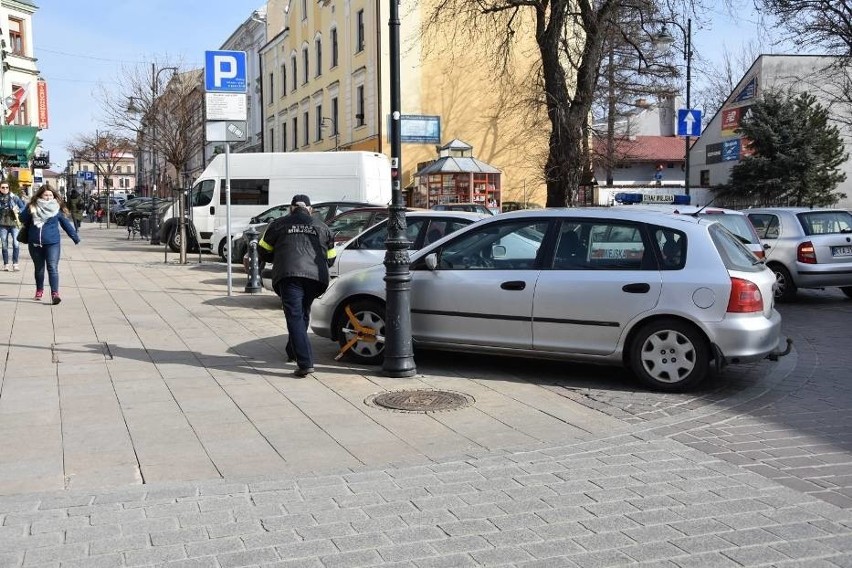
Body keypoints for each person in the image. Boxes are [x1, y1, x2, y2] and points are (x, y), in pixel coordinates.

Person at [258, 194, 336, 376]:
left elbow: (263, 251)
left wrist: (278, 255)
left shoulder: (277, 224)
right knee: (302, 313)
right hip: (316, 278)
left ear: (291, 208)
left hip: (289, 275)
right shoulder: (322, 227)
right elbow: (331, 258)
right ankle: (293, 351)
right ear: (309, 210)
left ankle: (305, 362)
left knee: (294, 316)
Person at [18, 184, 80, 304]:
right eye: (46, 195)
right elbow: (22, 219)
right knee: (39, 269)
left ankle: (55, 294)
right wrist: (29, 209)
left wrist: (75, 237)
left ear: (54, 196)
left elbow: (65, 223)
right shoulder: (33, 207)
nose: (48, 197)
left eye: (50, 195)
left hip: (52, 243)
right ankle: (39, 289)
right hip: (35, 243)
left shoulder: (56, 209)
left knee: (52, 267)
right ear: (40, 195)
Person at [0, 181, 26, 271]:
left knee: (16, 243)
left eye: (6, 187)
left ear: (9, 188)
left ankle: (15, 263)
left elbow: (23, 207)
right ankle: (6, 264)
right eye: (3, 187)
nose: (5, 189)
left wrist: (17, 210)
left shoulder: (14, 197)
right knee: (4, 244)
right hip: (2, 224)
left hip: (14, 224)